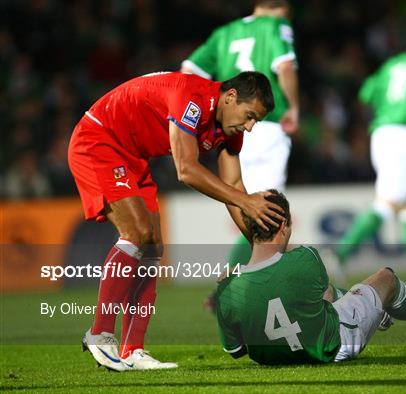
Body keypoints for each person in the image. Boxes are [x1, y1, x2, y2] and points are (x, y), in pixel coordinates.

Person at [69, 70, 284, 371]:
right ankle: (100, 334)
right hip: (99, 139)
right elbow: (186, 169)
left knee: (152, 248)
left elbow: (234, 188)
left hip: (133, 157)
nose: (249, 127)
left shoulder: (230, 130)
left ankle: (133, 350)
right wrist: (247, 201)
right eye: (249, 116)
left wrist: (262, 248)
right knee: (137, 234)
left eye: (255, 121)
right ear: (231, 96)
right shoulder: (191, 96)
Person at [215, 190, 406, 365]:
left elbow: (236, 350)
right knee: (386, 278)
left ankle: (380, 312)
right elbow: (328, 296)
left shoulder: (226, 288)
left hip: (270, 361)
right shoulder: (305, 258)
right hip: (333, 346)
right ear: (284, 226)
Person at [333, 16, 406, 293]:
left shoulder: (394, 63)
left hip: (382, 131)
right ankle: (337, 256)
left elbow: (366, 93)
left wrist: (388, 109)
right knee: (388, 202)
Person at [181, 0, 299, 267]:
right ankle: (235, 284)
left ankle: (238, 281)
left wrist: (207, 109)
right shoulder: (277, 25)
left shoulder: (224, 32)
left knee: (254, 206)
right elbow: (286, 67)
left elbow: (188, 71)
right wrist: (293, 107)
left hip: (230, 125)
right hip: (264, 123)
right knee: (270, 209)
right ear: (282, 8)